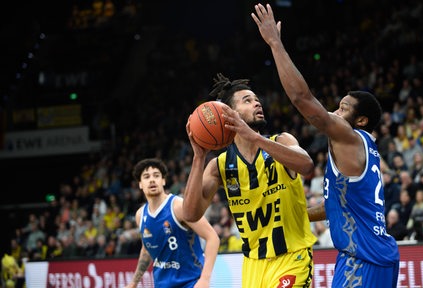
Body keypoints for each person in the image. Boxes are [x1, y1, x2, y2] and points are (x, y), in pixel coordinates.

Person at [251, 3, 400, 287]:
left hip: (364, 259)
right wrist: (299, 215)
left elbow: (302, 99)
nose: (334, 113)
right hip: (367, 255)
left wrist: (274, 44)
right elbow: (338, 203)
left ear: (362, 120)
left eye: (342, 109)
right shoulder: (361, 148)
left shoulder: (350, 136)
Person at [182, 73, 317, 287]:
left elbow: (307, 166)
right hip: (253, 265)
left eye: (256, 99)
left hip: (292, 258)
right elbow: (190, 214)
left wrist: (254, 137)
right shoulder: (219, 165)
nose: (257, 103)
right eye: (247, 100)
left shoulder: (281, 141)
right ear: (229, 115)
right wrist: (199, 158)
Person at [125, 158, 219, 288]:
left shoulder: (178, 206)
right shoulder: (140, 215)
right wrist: (134, 283)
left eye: (156, 176)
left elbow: (212, 237)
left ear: (163, 181)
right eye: (146, 177)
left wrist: (205, 279)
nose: (152, 180)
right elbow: (147, 249)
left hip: (191, 282)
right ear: (140, 184)